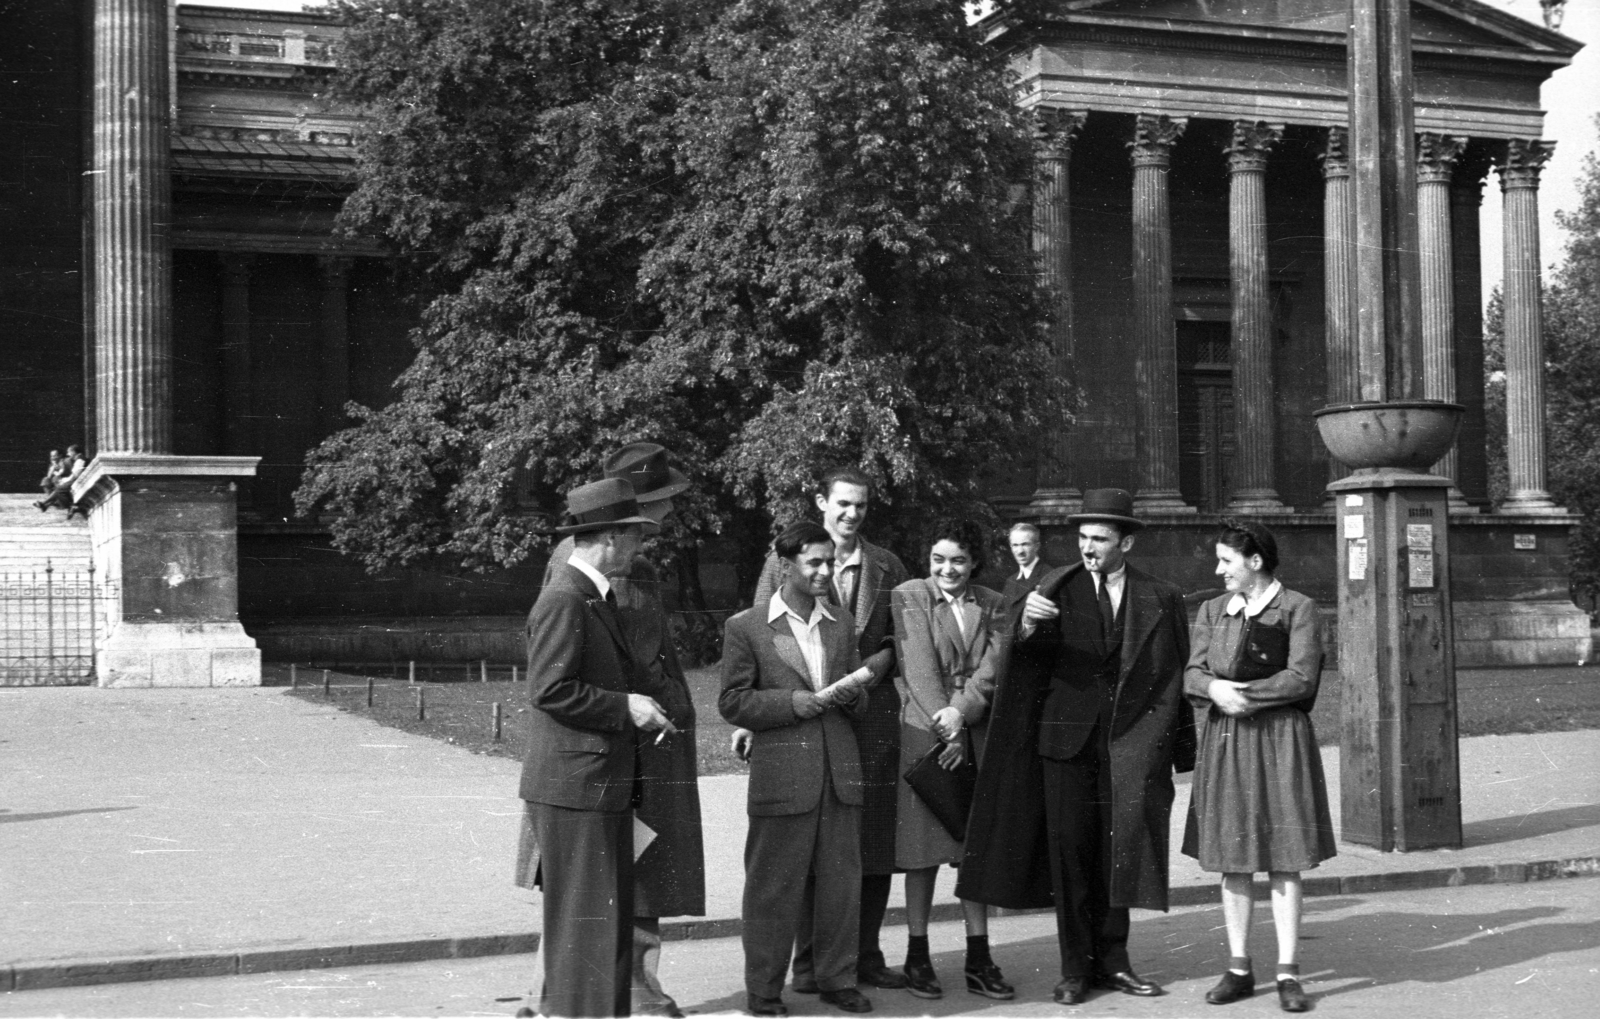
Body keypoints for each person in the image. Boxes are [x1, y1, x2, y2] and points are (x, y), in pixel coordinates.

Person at [957, 488, 1194, 1006]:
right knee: (1071, 856)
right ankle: (1073, 970)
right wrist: (1029, 623)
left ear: (1126, 543)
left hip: (1128, 747)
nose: (1088, 548)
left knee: (1119, 851)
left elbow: (1173, 674)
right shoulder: (1053, 587)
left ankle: (1115, 962)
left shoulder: (1161, 596)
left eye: (1100, 539)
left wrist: (1181, 755)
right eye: (1083, 538)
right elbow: (1022, 662)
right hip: (1063, 746)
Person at [530, 442, 703, 1018]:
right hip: (603, 752)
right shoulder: (577, 579)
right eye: (661, 505)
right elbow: (563, 679)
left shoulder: (618, 568)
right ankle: (583, 998)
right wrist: (634, 706)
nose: (667, 517)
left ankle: (578, 997)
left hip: (621, 744)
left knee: (608, 887)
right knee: (596, 892)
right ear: (617, 527)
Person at [740, 466, 911, 994]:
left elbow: (900, 640)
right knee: (803, 842)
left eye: (860, 505)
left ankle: (865, 954)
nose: (851, 514)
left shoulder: (887, 564)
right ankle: (809, 963)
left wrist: (871, 669)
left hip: (869, 713)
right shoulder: (782, 559)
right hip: (800, 719)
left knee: (870, 841)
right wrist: (751, 722)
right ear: (822, 502)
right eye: (842, 504)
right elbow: (760, 637)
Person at [720, 521, 874, 1017]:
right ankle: (763, 991)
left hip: (840, 773)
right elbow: (733, 701)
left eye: (830, 561)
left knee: (840, 886)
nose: (826, 571)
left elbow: (862, 698)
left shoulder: (841, 621)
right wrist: (792, 703)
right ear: (786, 566)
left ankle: (834, 979)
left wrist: (855, 694)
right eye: (815, 562)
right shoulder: (746, 626)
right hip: (783, 777)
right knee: (772, 888)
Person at [1181, 520, 1335, 1014]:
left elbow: (1301, 677)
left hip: (1280, 740)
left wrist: (1243, 695)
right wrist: (1212, 689)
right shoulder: (1211, 610)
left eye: (1226, 561)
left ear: (1255, 563)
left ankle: (1288, 971)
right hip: (1227, 741)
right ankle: (1239, 967)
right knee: (1234, 855)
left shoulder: (1298, 608)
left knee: (1284, 855)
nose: (1218, 569)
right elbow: (1192, 673)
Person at [889, 519, 1013, 1001]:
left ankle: (978, 956)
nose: (948, 568)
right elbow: (916, 669)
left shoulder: (994, 604)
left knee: (972, 850)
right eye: (939, 559)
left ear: (974, 562)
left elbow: (993, 668)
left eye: (958, 560)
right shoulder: (908, 596)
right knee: (922, 853)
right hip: (924, 737)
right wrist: (947, 732)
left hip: (974, 736)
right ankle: (917, 955)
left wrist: (961, 717)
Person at [1001, 521, 1061, 609]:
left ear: (1037, 546)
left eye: (1025, 544)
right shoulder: (1010, 581)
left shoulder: (1050, 576)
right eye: (1015, 545)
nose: (1020, 551)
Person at [36, 444, 86, 513]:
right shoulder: (53, 464)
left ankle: (46, 503)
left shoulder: (67, 461)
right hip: (60, 483)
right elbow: (48, 477)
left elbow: (73, 474)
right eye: (51, 456)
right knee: (46, 480)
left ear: (60, 455)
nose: (52, 458)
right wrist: (53, 468)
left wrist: (62, 478)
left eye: (54, 456)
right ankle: (51, 503)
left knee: (58, 486)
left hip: (67, 483)